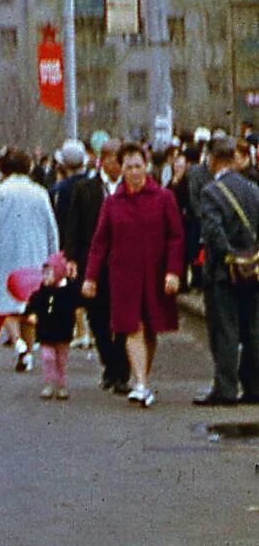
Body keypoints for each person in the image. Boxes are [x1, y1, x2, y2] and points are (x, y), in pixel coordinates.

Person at [83, 143, 185, 408]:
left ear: (146, 166)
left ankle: (143, 380)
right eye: (128, 167)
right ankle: (140, 383)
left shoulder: (164, 198)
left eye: (138, 165)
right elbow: (100, 243)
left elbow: (176, 238)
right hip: (123, 277)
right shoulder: (112, 203)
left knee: (150, 328)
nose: (134, 171)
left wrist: (174, 271)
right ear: (122, 169)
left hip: (156, 275)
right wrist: (90, 278)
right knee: (132, 327)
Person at [0, 149, 59, 373]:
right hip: (36, 253)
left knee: (7, 304)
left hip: (7, 253)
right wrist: (54, 255)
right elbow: (51, 227)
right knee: (30, 305)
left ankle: (19, 345)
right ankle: (28, 351)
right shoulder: (40, 192)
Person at [192, 135, 259, 406]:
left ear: (213, 159)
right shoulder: (254, 189)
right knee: (254, 329)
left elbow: (213, 232)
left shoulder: (211, 192)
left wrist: (230, 256)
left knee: (225, 330)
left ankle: (226, 388)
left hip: (223, 273)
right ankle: (255, 387)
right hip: (254, 269)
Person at [67, 140, 130, 393]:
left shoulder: (129, 188)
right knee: (98, 317)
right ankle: (110, 363)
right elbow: (73, 226)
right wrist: (71, 258)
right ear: (105, 160)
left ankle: (122, 371)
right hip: (93, 263)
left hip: (124, 264)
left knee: (124, 318)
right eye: (117, 161)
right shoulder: (86, 189)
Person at [26, 252, 76, 401]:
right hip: (45, 331)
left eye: (50, 273)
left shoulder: (68, 291)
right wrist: (31, 313)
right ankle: (48, 383)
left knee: (61, 360)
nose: (46, 276)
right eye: (45, 273)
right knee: (47, 357)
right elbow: (32, 304)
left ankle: (61, 384)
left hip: (63, 331)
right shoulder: (40, 292)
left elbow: (77, 302)